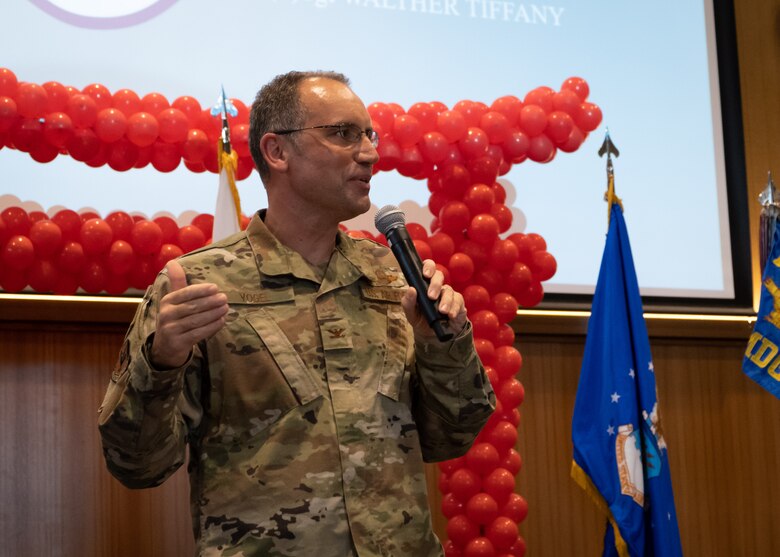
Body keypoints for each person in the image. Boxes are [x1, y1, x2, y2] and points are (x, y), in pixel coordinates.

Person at [98, 70, 495, 557]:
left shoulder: (395, 278)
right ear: (277, 151)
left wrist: (443, 346)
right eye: (343, 134)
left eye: (369, 135)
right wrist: (162, 361)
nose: (369, 153)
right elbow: (137, 466)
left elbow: (450, 438)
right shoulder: (198, 287)